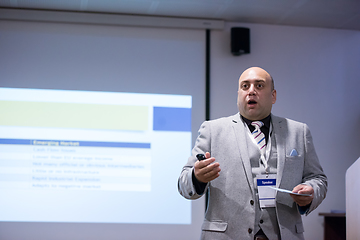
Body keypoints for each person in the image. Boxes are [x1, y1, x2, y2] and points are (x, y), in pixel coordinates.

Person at [178, 67, 327, 240]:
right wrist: (197, 177)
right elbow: (183, 183)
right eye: (245, 86)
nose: (251, 91)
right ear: (238, 95)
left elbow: (318, 179)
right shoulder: (212, 130)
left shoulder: (298, 132)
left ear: (273, 96)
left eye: (259, 85)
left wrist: (311, 191)